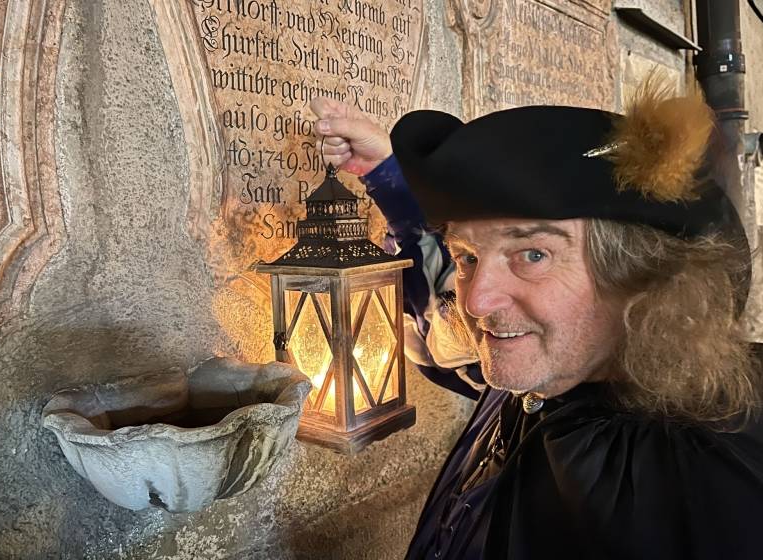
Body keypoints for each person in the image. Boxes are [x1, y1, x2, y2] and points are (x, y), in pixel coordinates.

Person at [309, 77, 763, 560]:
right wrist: (384, 172)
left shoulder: (706, 483)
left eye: (532, 255)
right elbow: (442, 318)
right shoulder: (543, 372)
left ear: (642, 276)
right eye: (468, 258)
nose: (476, 302)